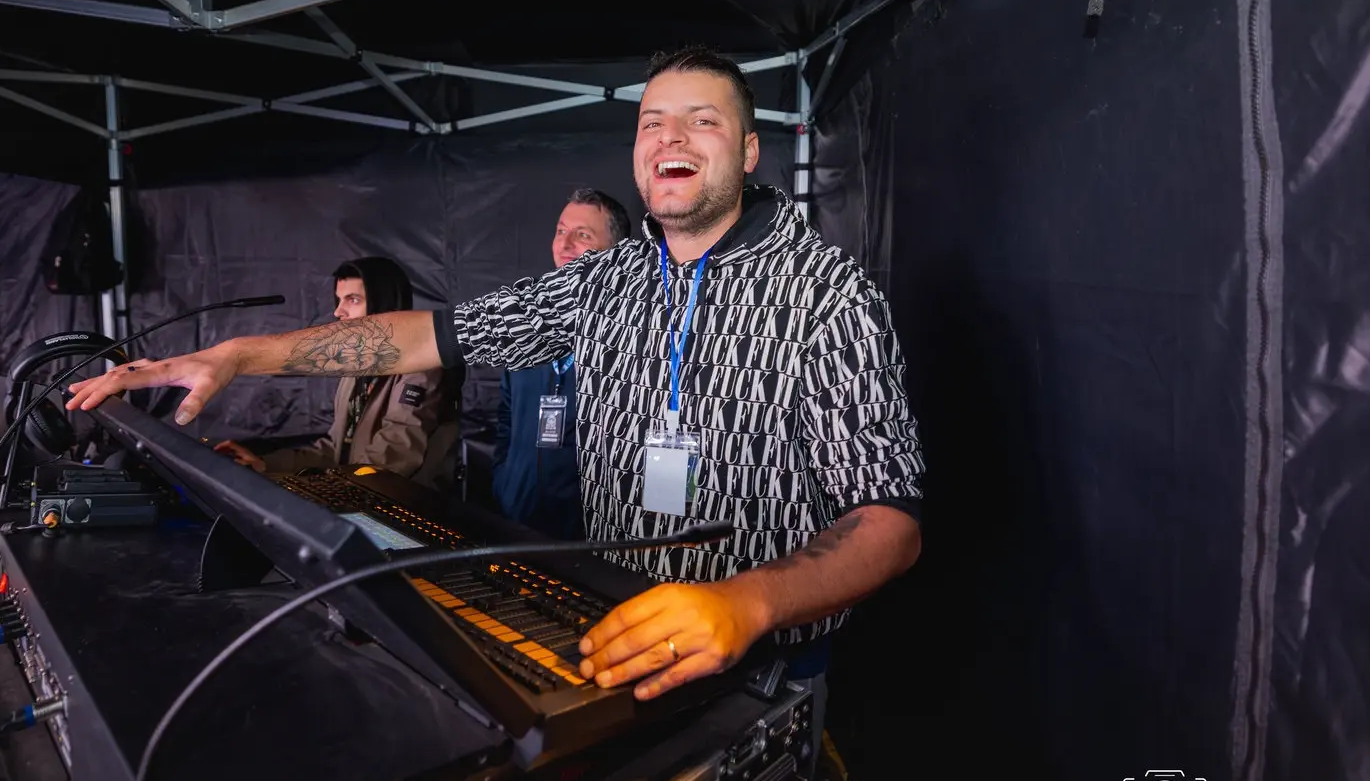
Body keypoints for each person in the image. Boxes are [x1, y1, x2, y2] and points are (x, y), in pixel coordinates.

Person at [68, 45, 923, 707]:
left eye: (702, 121)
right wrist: (240, 354)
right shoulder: (605, 280)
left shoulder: (827, 293)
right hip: (616, 631)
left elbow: (890, 522)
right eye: (652, 122)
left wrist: (746, 603)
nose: (671, 137)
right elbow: (422, 338)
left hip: (766, 668)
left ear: (750, 149)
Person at [214, 257, 460, 493]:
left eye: (352, 300)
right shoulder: (358, 366)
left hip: (406, 505)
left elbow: (394, 456)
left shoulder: (424, 367)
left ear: (386, 306)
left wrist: (318, 488)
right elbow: (335, 449)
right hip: (356, 491)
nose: (338, 312)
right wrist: (264, 465)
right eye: (339, 300)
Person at [492, 188, 632, 540]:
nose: (565, 244)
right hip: (518, 518)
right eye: (560, 231)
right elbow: (506, 417)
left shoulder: (633, 337)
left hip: (592, 535)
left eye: (582, 235)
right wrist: (505, 479)